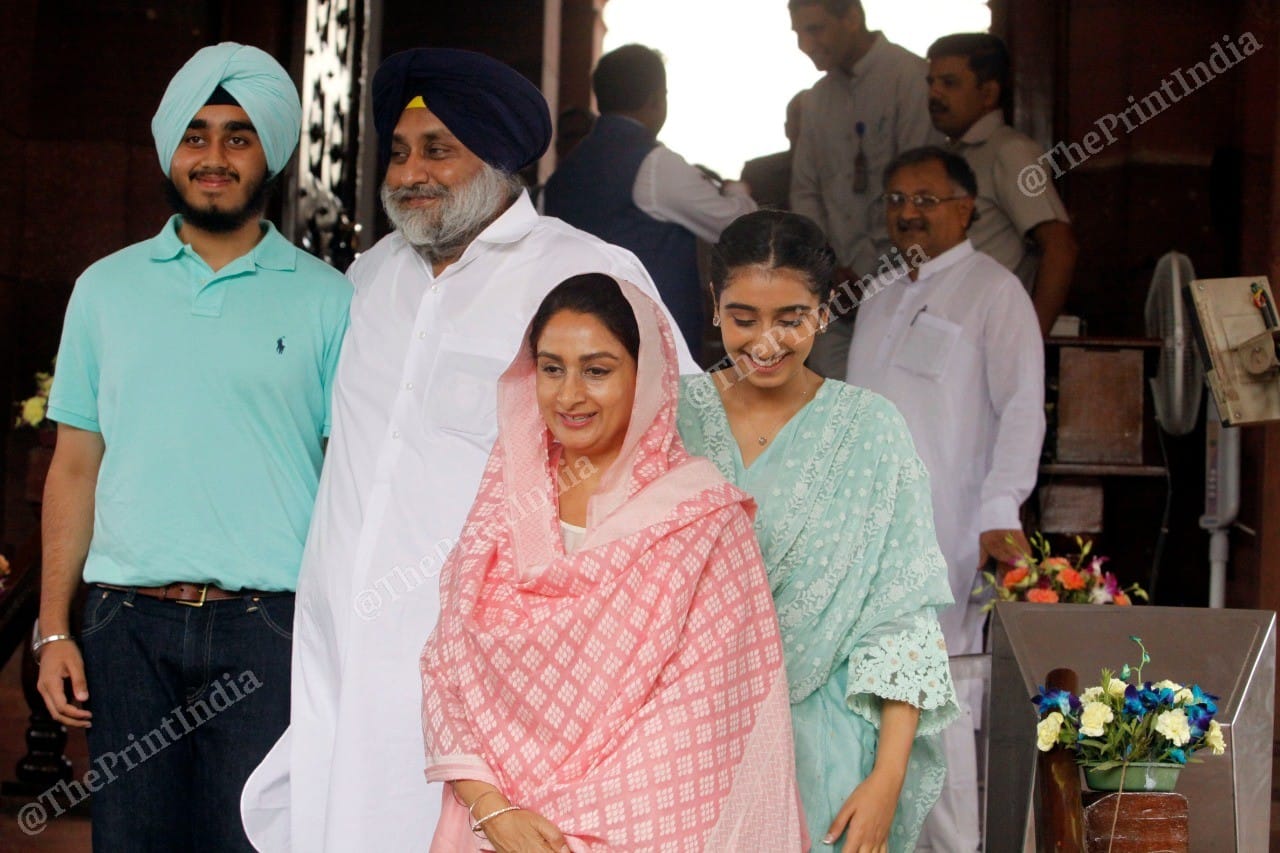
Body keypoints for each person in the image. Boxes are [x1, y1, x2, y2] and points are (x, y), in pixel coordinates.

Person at [240, 48, 697, 852]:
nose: (412, 171)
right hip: (342, 648)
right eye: (403, 150)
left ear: (500, 158)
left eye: (439, 150)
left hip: (491, 672)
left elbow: (670, 443)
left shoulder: (582, 270)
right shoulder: (368, 277)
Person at [34, 43, 351, 851]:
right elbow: (75, 466)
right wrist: (52, 628)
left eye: (239, 137)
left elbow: (350, 481)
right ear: (171, 148)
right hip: (125, 629)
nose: (214, 157)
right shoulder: (105, 289)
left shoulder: (329, 300)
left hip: (266, 630)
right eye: (197, 135)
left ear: (270, 154)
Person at [422, 274, 806, 851]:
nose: (569, 395)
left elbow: (695, 728)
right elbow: (444, 665)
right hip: (488, 828)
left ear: (645, 378)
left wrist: (563, 834)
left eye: (597, 371)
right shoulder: (508, 498)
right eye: (552, 369)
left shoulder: (701, 522)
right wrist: (495, 811)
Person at [677, 210, 959, 852]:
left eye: (791, 318)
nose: (766, 342)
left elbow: (903, 619)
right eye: (744, 318)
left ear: (826, 312)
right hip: (690, 742)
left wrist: (886, 780)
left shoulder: (872, 430)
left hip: (832, 752)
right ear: (714, 308)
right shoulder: (672, 418)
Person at [845, 148, 1045, 851]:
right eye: (897, 198)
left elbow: (1022, 408)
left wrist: (1000, 511)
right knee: (872, 688)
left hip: (951, 529)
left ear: (970, 209)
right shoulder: (878, 291)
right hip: (867, 530)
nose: (908, 212)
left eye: (926, 198)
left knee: (943, 693)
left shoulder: (995, 291)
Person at [544, 44, 756, 360]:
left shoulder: (561, 177)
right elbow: (739, 228)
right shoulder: (655, 165)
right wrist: (737, 189)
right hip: (649, 354)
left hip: (575, 348)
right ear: (657, 99)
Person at [788, 0, 940, 379]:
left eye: (815, 29)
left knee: (899, 400)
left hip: (903, 280)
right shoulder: (818, 99)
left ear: (852, 19)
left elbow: (918, 194)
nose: (805, 45)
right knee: (834, 404)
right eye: (799, 33)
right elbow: (806, 191)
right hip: (835, 287)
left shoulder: (910, 78)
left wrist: (876, 277)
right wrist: (828, 267)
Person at [926, 33, 1078, 337]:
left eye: (950, 83)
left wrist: (1031, 341)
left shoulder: (1009, 151)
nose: (934, 94)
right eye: (931, 83)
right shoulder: (948, 156)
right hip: (942, 330)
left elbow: (1060, 247)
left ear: (988, 93)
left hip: (986, 334)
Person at [740, 90, 808, 210]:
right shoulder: (757, 173)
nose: (806, 128)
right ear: (787, 129)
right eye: (799, 118)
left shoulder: (757, 171)